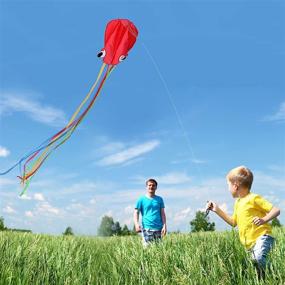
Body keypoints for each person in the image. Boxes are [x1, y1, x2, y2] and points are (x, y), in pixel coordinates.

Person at [206, 166, 280, 277]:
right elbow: (233, 222)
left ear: (235, 186)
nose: (228, 188)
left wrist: (264, 219)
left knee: (258, 258)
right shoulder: (238, 203)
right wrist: (217, 210)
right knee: (255, 267)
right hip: (250, 245)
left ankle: (275, 272)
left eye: (228, 185)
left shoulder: (254, 198)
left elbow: (276, 210)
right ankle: (268, 277)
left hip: (263, 238)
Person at [134, 178, 167, 246]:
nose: (151, 187)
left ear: (156, 187)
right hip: (146, 228)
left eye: (153, 185)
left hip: (158, 229)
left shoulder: (160, 199)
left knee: (158, 250)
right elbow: (136, 213)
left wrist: (164, 225)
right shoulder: (141, 199)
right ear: (146, 187)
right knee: (147, 250)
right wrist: (136, 224)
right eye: (149, 185)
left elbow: (162, 213)